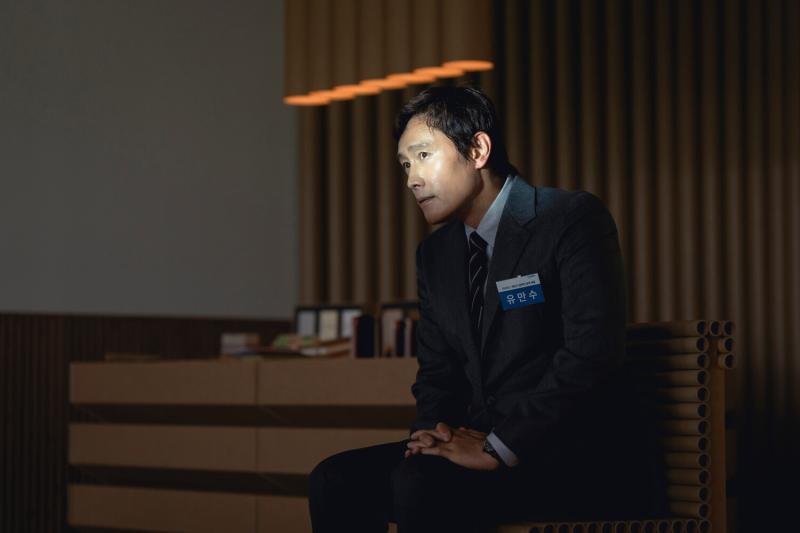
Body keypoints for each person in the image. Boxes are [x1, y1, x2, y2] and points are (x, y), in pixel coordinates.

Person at [309, 86, 660, 533]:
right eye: (405, 165)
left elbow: (591, 355)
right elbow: (437, 372)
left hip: (568, 454)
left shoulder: (570, 218)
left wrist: (498, 445)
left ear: (477, 149)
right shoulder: (435, 255)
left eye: (423, 156)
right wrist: (430, 436)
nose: (411, 179)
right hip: (474, 446)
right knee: (335, 480)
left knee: (419, 484)